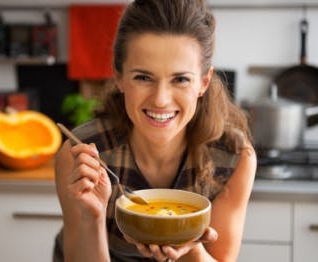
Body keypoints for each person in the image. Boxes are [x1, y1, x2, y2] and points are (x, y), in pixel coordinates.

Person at [53, 0, 256, 261]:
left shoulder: (234, 156)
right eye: (143, 77)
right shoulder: (82, 154)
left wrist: (187, 242)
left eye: (180, 79)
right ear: (120, 79)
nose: (161, 99)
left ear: (203, 82)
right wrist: (91, 215)